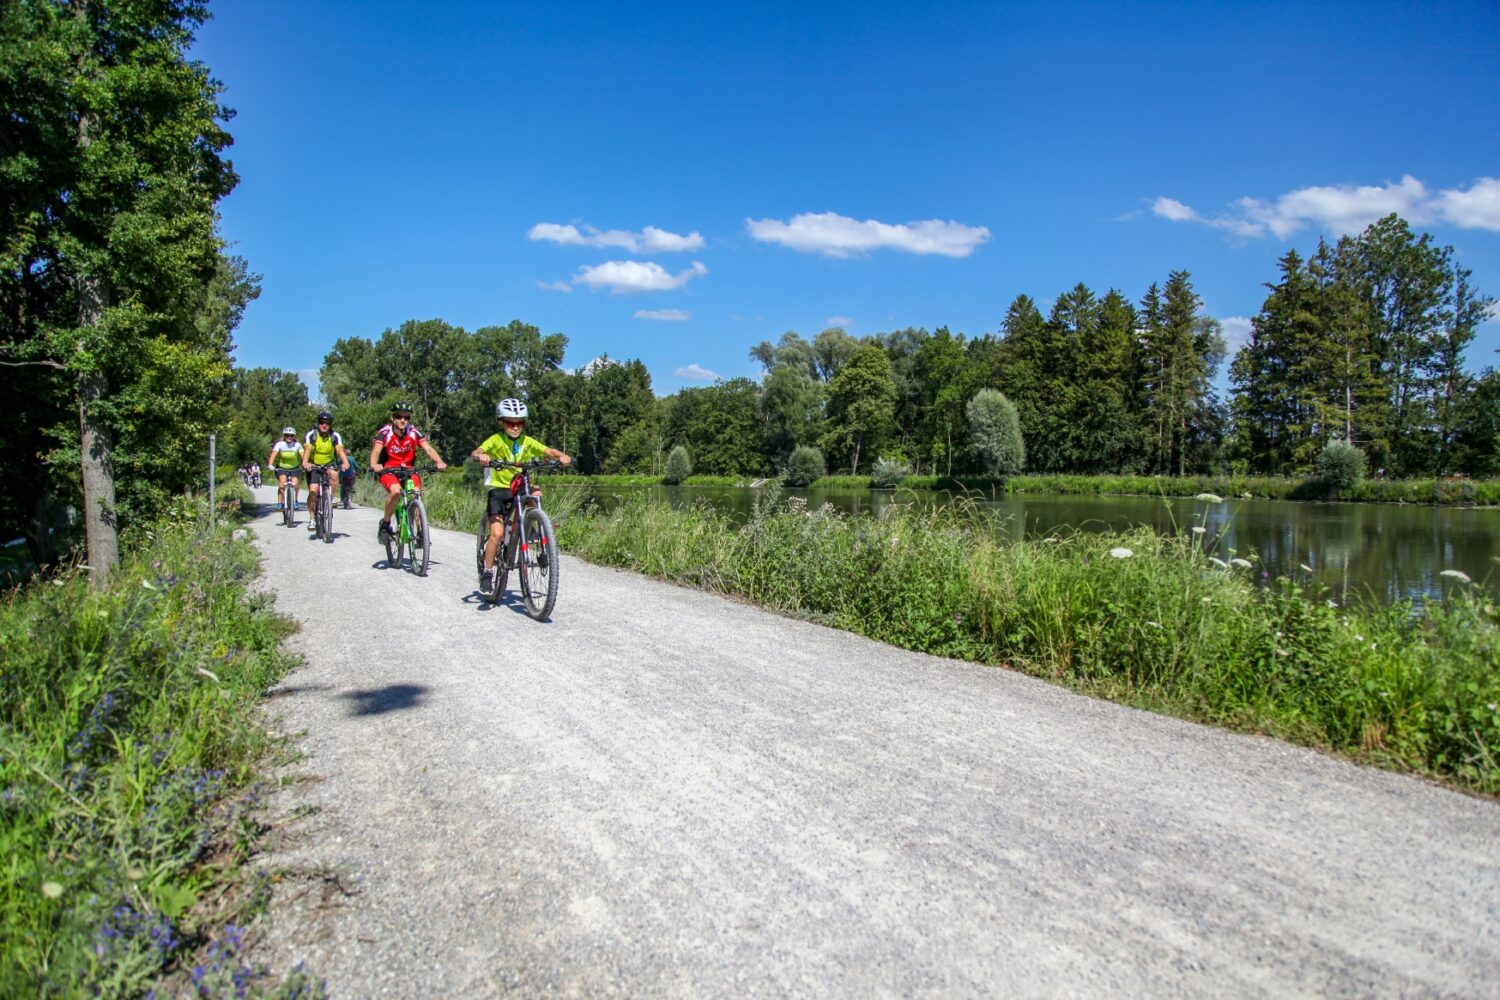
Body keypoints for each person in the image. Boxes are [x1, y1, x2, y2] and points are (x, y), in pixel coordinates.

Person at [470, 397, 571, 591]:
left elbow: (547, 450)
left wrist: (561, 456)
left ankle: (535, 524)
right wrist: (480, 456)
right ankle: (487, 571)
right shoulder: (497, 439)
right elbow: (478, 450)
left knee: (536, 493)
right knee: (497, 533)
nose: (515, 427)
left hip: (520, 485)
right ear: (502, 422)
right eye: (510, 423)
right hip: (498, 488)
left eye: (520, 423)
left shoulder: (527, 441)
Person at [369, 401, 447, 541]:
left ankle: (421, 532)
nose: (403, 420)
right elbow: (377, 449)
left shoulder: (413, 432)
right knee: (396, 491)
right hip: (389, 470)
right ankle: (385, 524)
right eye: (399, 417)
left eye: (406, 417)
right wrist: (374, 464)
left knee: (416, 495)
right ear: (392, 418)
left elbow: (428, 448)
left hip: (409, 470)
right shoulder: (385, 432)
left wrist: (439, 461)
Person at [301, 412, 350, 532]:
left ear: (330, 425)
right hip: (314, 464)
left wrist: (345, 462)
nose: (324, 425)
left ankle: (330, 498)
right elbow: (307, 449)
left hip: (329, 463)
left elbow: (340, 450)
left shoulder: (335, 436)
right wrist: (305, 462)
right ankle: (312, 519)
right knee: (313, 491)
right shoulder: (312, 435)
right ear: (318, 423)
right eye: (321, 423)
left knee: (334, 474)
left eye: (327, 423)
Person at [266, 427, 303, 516]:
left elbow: (303, 455)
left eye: (291, 436)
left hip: (294, 467)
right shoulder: (280, 444)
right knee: (282, 483)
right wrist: (270, 464)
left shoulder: (297, 445)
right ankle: (280, 503)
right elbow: (273, 455)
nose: (289, 437)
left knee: (296, 484)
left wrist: (305, 464)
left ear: (293, 436)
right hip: (282, 467)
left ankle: (295, 500)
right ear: (284, 436)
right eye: (287, 435)